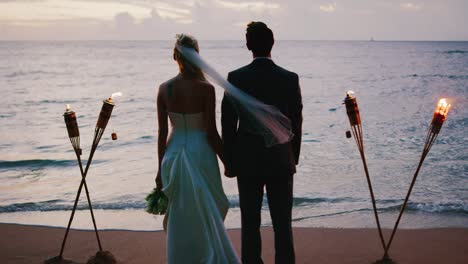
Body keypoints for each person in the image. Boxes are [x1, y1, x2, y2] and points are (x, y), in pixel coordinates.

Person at [222, 22, 303, 264]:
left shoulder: (236, 78)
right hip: (281, 159)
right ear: (272, 43)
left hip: (247, 161)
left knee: (250, 223)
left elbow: (228, 123)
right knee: (282, 224)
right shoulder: (289, 78)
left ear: (248, 45)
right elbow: (296, 123)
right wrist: (293, 157)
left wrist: (230, 161)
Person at [155, 34, 240, 264]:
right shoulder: (205, 89)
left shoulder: (164, 89)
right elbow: (211, 132)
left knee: (181, 215)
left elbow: (162, 134)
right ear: (197, 57)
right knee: (207, 209)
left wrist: (158, 170)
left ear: (175, 56)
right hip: (200, 153)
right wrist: (228, 162)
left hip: (172, 156)